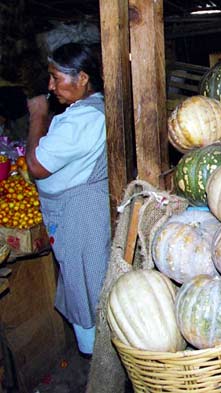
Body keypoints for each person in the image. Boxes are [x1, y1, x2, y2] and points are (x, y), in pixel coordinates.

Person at [25, 42, 110, 357]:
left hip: (81, 217)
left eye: (56, 78)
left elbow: (36, 165)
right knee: (86, 281)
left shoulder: (83, 120)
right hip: (83, 213)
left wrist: (37, 115)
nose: (50, 86)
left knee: (86, 284)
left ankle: (95, 360)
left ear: (83, 78)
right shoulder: (90, 109)